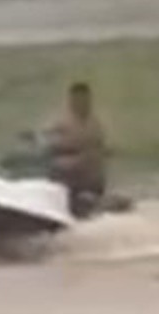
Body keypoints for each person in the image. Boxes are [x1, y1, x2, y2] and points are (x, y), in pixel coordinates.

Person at [40, 81, 108, 217]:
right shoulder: (60, 122)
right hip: (67, 177)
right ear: (71, 100)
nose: (81, 103)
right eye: (77, 99)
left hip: (91, 179)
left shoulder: (95, 123)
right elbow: (45, 145)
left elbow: (100, 149)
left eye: (85, 100)